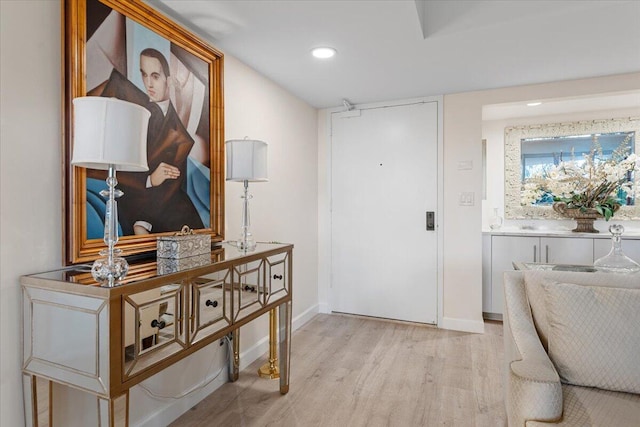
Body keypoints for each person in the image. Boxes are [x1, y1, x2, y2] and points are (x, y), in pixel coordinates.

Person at [91, 48, 204, 235]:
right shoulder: (125, 94)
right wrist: (150, 179)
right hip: (129, 196)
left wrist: (143, 221)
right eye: (144, 75)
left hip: (163, 210)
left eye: (155, 76)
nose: (148, 83)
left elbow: (170, 190)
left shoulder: (182, 138)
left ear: (168, 81)